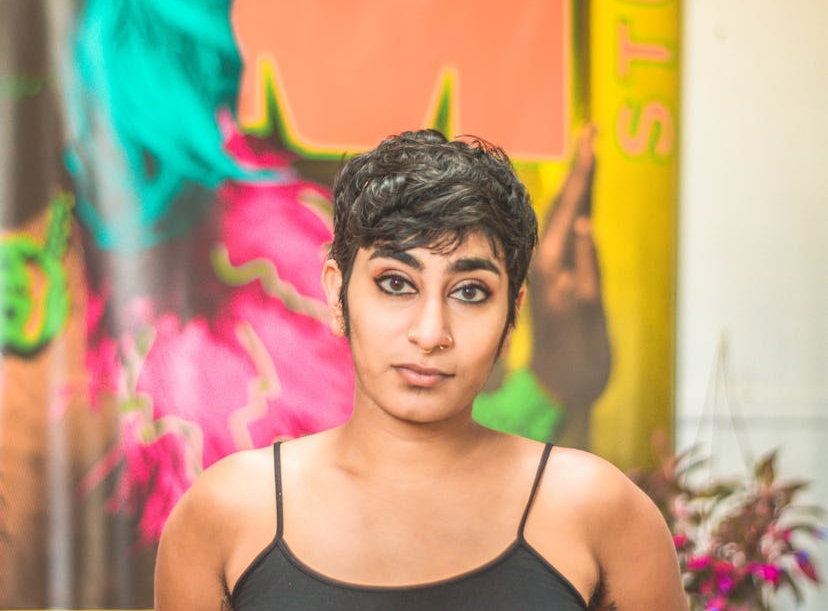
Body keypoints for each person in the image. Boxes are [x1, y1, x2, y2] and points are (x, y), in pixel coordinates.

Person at [154, 129, 688, 610]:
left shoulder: (600, 512)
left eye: (470, 292)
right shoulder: (225, 515)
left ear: (512, 316)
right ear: (337, 295)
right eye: (395, 283)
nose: (431, 333)